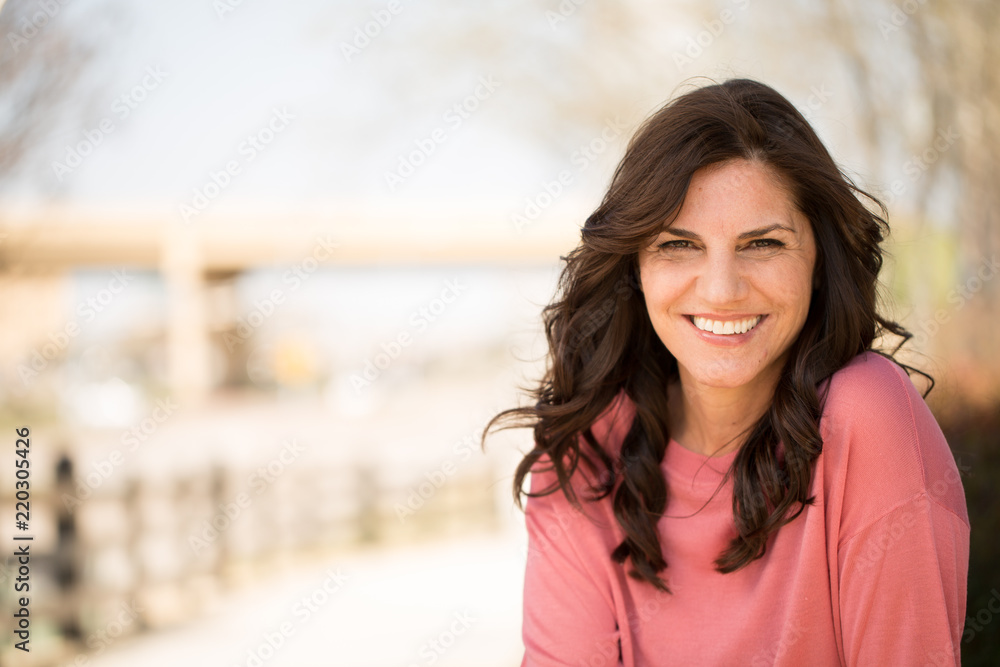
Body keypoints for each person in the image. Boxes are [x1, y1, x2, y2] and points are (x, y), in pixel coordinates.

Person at [485, 79, 970, 666]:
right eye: (678, 245)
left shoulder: (868, 417)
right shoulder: (582, 457)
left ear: (819, 261)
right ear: (634, 266)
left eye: (762, 243)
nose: (721, 289)